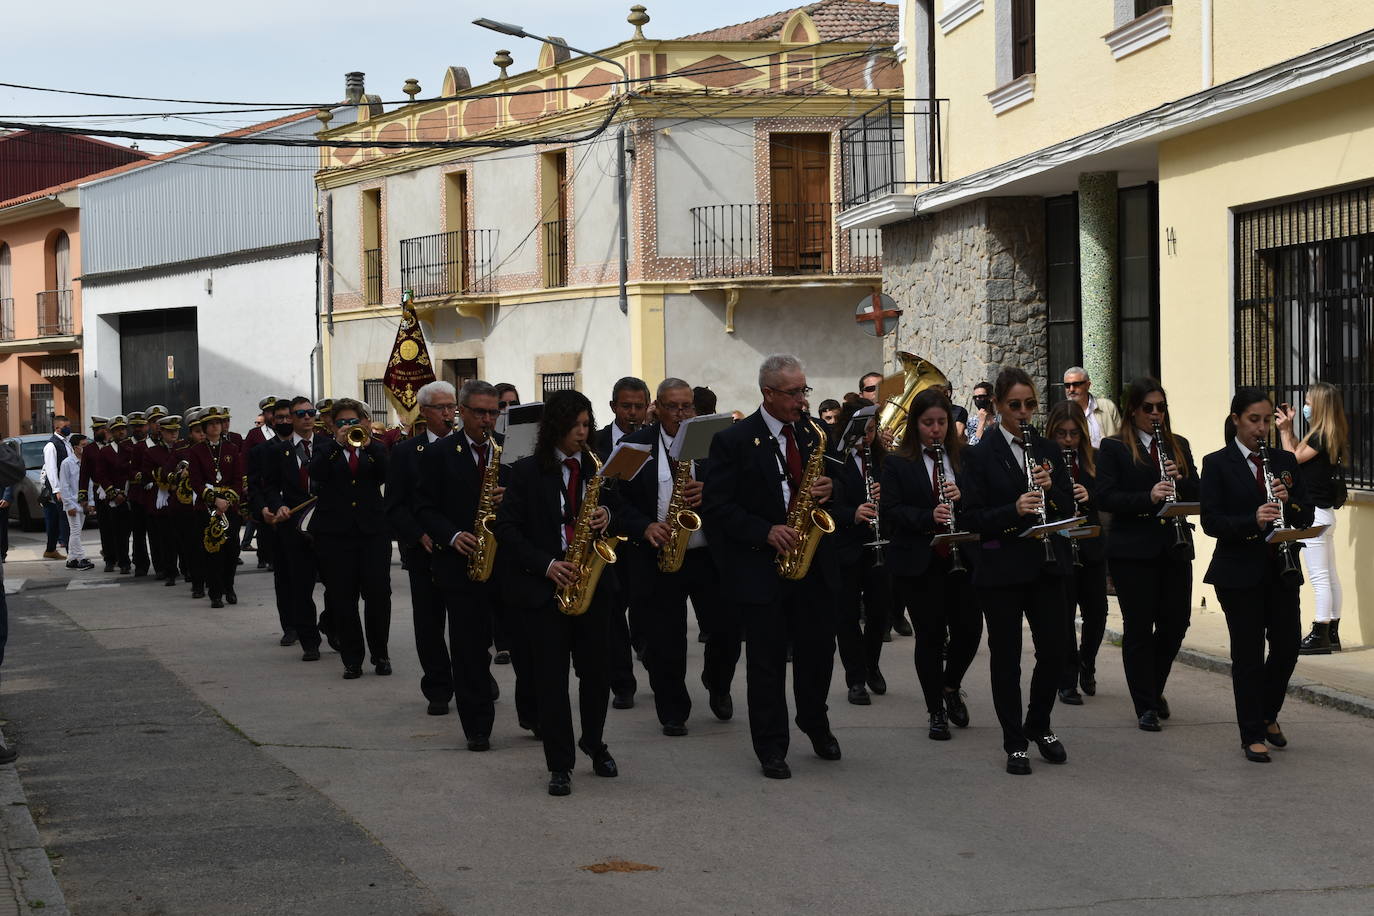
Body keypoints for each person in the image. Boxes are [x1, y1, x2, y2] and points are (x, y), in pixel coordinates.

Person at [701, 354, 846, 780]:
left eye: (805, 390)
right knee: (765, 661)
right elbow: (717, 506)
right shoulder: (734, 440)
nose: (803, 400)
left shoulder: (814, 432)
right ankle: (771, 745)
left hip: (813, 563)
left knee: (819, 652)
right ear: (768, 393)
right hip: (761, 567)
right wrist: (764, 531)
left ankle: (814, 722)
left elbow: (848, 484)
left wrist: (832, 486)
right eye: (794, 392)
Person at [493, 388, 633, 796]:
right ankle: (560, 763)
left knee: (597, 675)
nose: (582, 433)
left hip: (593, 586)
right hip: (545, 588)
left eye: (586, 425)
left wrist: (608, 514)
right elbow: (507, 529)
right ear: (554, 427)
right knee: (551, 682)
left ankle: (594, 741)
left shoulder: (597, 469)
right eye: (574, 426)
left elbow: (623, 513)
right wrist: (548, 565)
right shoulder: (525, 472)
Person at [961, 367, 1074, 775]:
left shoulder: (1047, 448)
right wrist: (1014, 509)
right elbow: (972, 517)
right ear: (997, 406)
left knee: (1056, 651)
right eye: (1015, 405)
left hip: (1046, 564)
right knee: (1007, 657)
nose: (1024, 413)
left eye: (1030, 405)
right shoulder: (978, 453)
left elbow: (1069, 508)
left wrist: (1050, 489)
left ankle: (1039, 723)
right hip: (1003, 567)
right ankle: (1014, 741)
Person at [610, 378, 736, 736]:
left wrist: (709, 491)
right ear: (658, 408)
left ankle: (718, 681)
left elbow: (737, 489)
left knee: (727, 627)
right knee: (666, 639)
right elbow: (616, 501)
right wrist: (645, 526)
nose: (681, 414)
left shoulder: (715, 442)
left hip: (707, 554)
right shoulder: (635, 445)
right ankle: (672, 710)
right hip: (658, 554)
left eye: (687, 407)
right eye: (673, 407)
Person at [1201, 388, 1314, 763]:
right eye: (1254, 420)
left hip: (1281, 569)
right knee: (1248, 655)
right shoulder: (1216, 462)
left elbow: (1306, 514)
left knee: (1286, 648)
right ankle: (1251, 733)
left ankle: (1267, 714)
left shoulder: (1284, 460)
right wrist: (1253, 520)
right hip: (1238, 573)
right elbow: (1211, 522)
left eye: (1266, 420)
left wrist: (1289, 500)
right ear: (1236, 419)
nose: (1262, 428)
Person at [415, 381, 514, 749]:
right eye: (479, 412)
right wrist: (453, 536)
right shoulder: (440, 453)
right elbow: (423, 507)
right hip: (461, 563)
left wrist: (512, 497)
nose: (487, 420)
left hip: (508, 560)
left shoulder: (508, 451)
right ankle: (477, 726)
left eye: (493, 413)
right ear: (462, 411)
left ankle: (533, 712)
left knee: (527, 642)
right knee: (469, 649)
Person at [1096, 378, 1198, 730]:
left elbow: (1198, 493)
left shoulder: (1178, 445)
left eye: (1161, 408)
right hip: (1132, 550)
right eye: (1148, 408)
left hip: (1174, 545)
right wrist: (1148, 497)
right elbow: (1105, 497)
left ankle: (1152, 687)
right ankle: (1146, 704)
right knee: (1139, 627)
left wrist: (1180, 480)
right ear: (1133, 411)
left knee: (1176, 624)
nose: (1156, 414)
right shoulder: (1114, 448)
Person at [881, 388, 982, 739]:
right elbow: (890, 511)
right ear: (915, 425)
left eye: (941, 422)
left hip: (962, 557)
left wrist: (963, 498)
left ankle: (950, 687)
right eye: (928, 423)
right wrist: (928, 515)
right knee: (931, 635)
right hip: (920, 561)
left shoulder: (965, 459)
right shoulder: (897, 462)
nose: (936, 429)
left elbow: (984, 504)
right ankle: (935, 710)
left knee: (969, 631)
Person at [387, 381, 458, 711]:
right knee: (429, 625)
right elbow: (396, 505)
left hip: (464, 549)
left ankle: (476, 676)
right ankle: (438, 688)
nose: (449, 413)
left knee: (471, 624)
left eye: (452, 406)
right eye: (441, 408)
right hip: (424, 551)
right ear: (425, 412)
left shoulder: (471, 447)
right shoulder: (405, 452)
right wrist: (418, 534)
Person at [308, 398, 391, 679]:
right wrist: (336, 445)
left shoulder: (375, 447)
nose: (348, 427)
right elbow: (316, 474)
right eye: (342, 423)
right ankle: (352, 659)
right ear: (332, 425)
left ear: (363, 422)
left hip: (372, 533)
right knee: (343, 598)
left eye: (353, 422)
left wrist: (367, 446)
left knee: (378, 595)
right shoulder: (323, 449)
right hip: (335, 535)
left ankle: (380, 654)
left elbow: (387, 472)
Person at [1277, 382, 1350, 654]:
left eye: (1308, 400)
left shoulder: (1320, 436)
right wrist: (1291, 432)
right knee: (1330, 576)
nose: (1304, 405)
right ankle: (1332, 634)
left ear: (1318, 405)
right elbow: (1300, 456)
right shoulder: (1327, 434)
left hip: (1316, 514)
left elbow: (1290, 460)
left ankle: (1320, 632)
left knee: (1320, 577)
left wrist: (1285, 431)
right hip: (1325, 514)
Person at [592, 376, 651, 709]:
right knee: (613, 616)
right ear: (613, 406)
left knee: (649, 613)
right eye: (626, 406)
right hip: (609, 542)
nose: (632, 413)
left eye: (639, 407)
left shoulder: (657, 442)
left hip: (644, 538)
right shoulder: (595, 442)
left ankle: (657, 671)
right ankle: (622, 684)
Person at [1045, 401, 1108, 706]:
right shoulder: (1045, 462)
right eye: (1062, 434)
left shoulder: (1094, 459)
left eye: (1074, 434)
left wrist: (1089, 494)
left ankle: (1088, 661)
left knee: (1097, 613)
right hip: (1060, 545)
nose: (1069, 441)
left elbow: (1108, 495)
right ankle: (1066, 679)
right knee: (1064, 615)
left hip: (1090, 544)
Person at [829, 400, 893, 706]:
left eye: (873, 429)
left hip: (878, 544)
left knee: (880, 612)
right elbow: (827, 506)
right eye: (864, 429)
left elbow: (898, 499)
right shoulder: (833, 459)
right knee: (847, 614)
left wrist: (885, 496)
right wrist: (853, 513)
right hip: (847, 545)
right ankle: (855, 678)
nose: (869, 436)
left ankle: (872, 664)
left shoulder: (885, 459)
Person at [261, 397, 324, 660]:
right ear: (292, 419)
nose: (307, 418)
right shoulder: (279, 451)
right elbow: (270, 487)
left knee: (338, 583)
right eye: (300, 414)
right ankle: (310, 641)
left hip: (327, 526)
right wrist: (278, 506)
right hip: (294, 528)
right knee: (301, 587)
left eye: (310, 413)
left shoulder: (329, 446)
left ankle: (333, 625)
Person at [188, 407, 245, 608]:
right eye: (211, 424)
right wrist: (214, 500)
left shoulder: (231, 449)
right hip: (206, 507)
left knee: (231, 550)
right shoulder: (196, 451)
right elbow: (195, 481)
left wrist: (226, 501)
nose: (215, 426)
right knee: (213, 552)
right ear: (204, 428)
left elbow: (239, 480)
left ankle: (229, 587)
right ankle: (215, 593)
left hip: (229, 507)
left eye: (218, 423)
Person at [144, 415, 185, 589]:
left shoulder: (183, 448)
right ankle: (169, 571)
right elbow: (148, 473)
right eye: (169, 431)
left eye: (175, 431)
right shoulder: (152, 452)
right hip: (162, 499)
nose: (173, 434)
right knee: (166, 539)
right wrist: (165, 478)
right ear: (162, 432)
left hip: (182, 498)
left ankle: (187, 568)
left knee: (183, 537)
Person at [94, 415, 135, 575]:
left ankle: (124, 561)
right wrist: (112, 494)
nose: (121, 432)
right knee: (109, 530)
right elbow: (101, 474)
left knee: (124, 532)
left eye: (123, 429)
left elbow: (131, 472)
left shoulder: (130, 450)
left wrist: (125, 494)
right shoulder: (105, 451)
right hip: (110, 496)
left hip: (126, 495)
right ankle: (109, 560)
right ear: (111, 432)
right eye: (117, 430)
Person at [1062, 366, 1121, 449]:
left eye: (1076, 384)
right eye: (1067, 385)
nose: (1071, 389)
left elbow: (1122, 438)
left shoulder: (1107, 407)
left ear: (1088, 385)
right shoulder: (1062, 413)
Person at [59, 435, 95, 570]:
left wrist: (91, 502)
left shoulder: (88, 462)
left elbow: (90, 484)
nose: (86, 448)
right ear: (75, 448)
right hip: (73, 503)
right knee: (75, 531)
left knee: (77, 531)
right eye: (83, 445)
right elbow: (64, 486)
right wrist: (68, 505)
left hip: (83, 503)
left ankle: (71, 559)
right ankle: (81, 558)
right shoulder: (67, 463)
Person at [41, 415, 71, 560]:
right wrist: (57, 490)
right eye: (65, 426)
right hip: (58, 489)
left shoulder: (66, 442)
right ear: (57, 428)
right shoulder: (51, 445)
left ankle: (50, 549)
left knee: (54, 520)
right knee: (65, 519)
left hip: (67, 487)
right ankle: (72, 553)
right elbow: (51, 469)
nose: (68, 428)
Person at [965, 381, 995, 445]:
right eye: (975, 398)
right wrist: (981, 422)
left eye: (981, 397)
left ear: (991, 398)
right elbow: (973, 445)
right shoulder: (972, 421)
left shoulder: (1001, 419)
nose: (978, 399)